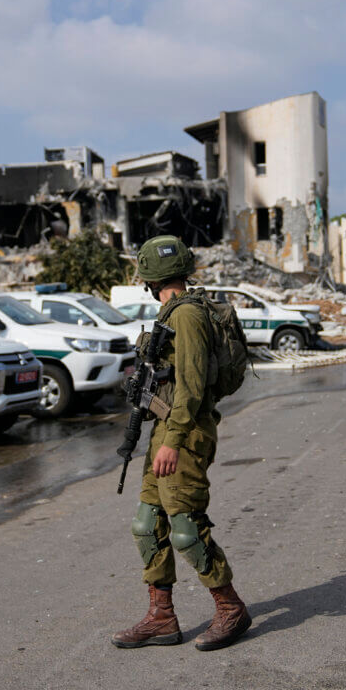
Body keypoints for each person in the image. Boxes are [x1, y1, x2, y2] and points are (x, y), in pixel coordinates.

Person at [112, 235, 251, 652]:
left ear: (149, 279)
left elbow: (190, 389)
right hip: (166, 432)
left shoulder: (188, 315)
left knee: (186, 529)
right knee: (146, 526)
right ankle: (161, 617)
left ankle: (230, 607)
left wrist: (172, 441)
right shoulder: (170, 313)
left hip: (185, 435)